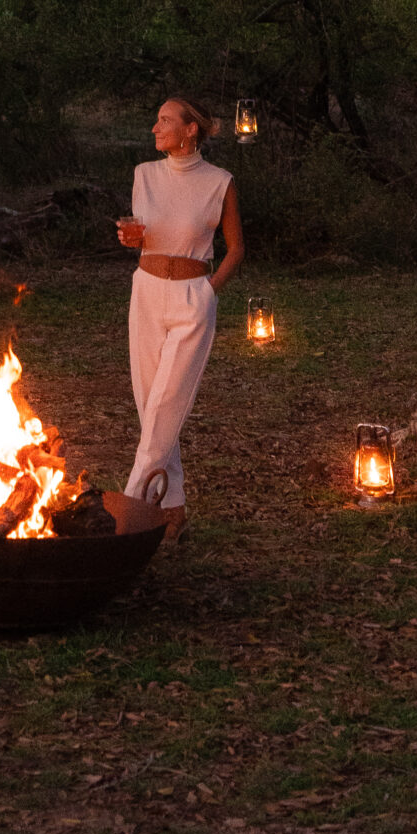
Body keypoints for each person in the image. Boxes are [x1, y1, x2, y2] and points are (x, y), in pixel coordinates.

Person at [117, 96, 245, 535]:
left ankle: (129, 510)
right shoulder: (144, 175)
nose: (155, 128)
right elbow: (142, 235)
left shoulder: (219, 182)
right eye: (156, 120)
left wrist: (207, 293)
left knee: (167, 404)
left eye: (165, 120)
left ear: (192, 129)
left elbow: (237, 248)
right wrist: (130, 241)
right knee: (151, 406)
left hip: (193, 297)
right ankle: (172, 508)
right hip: (147, 292)